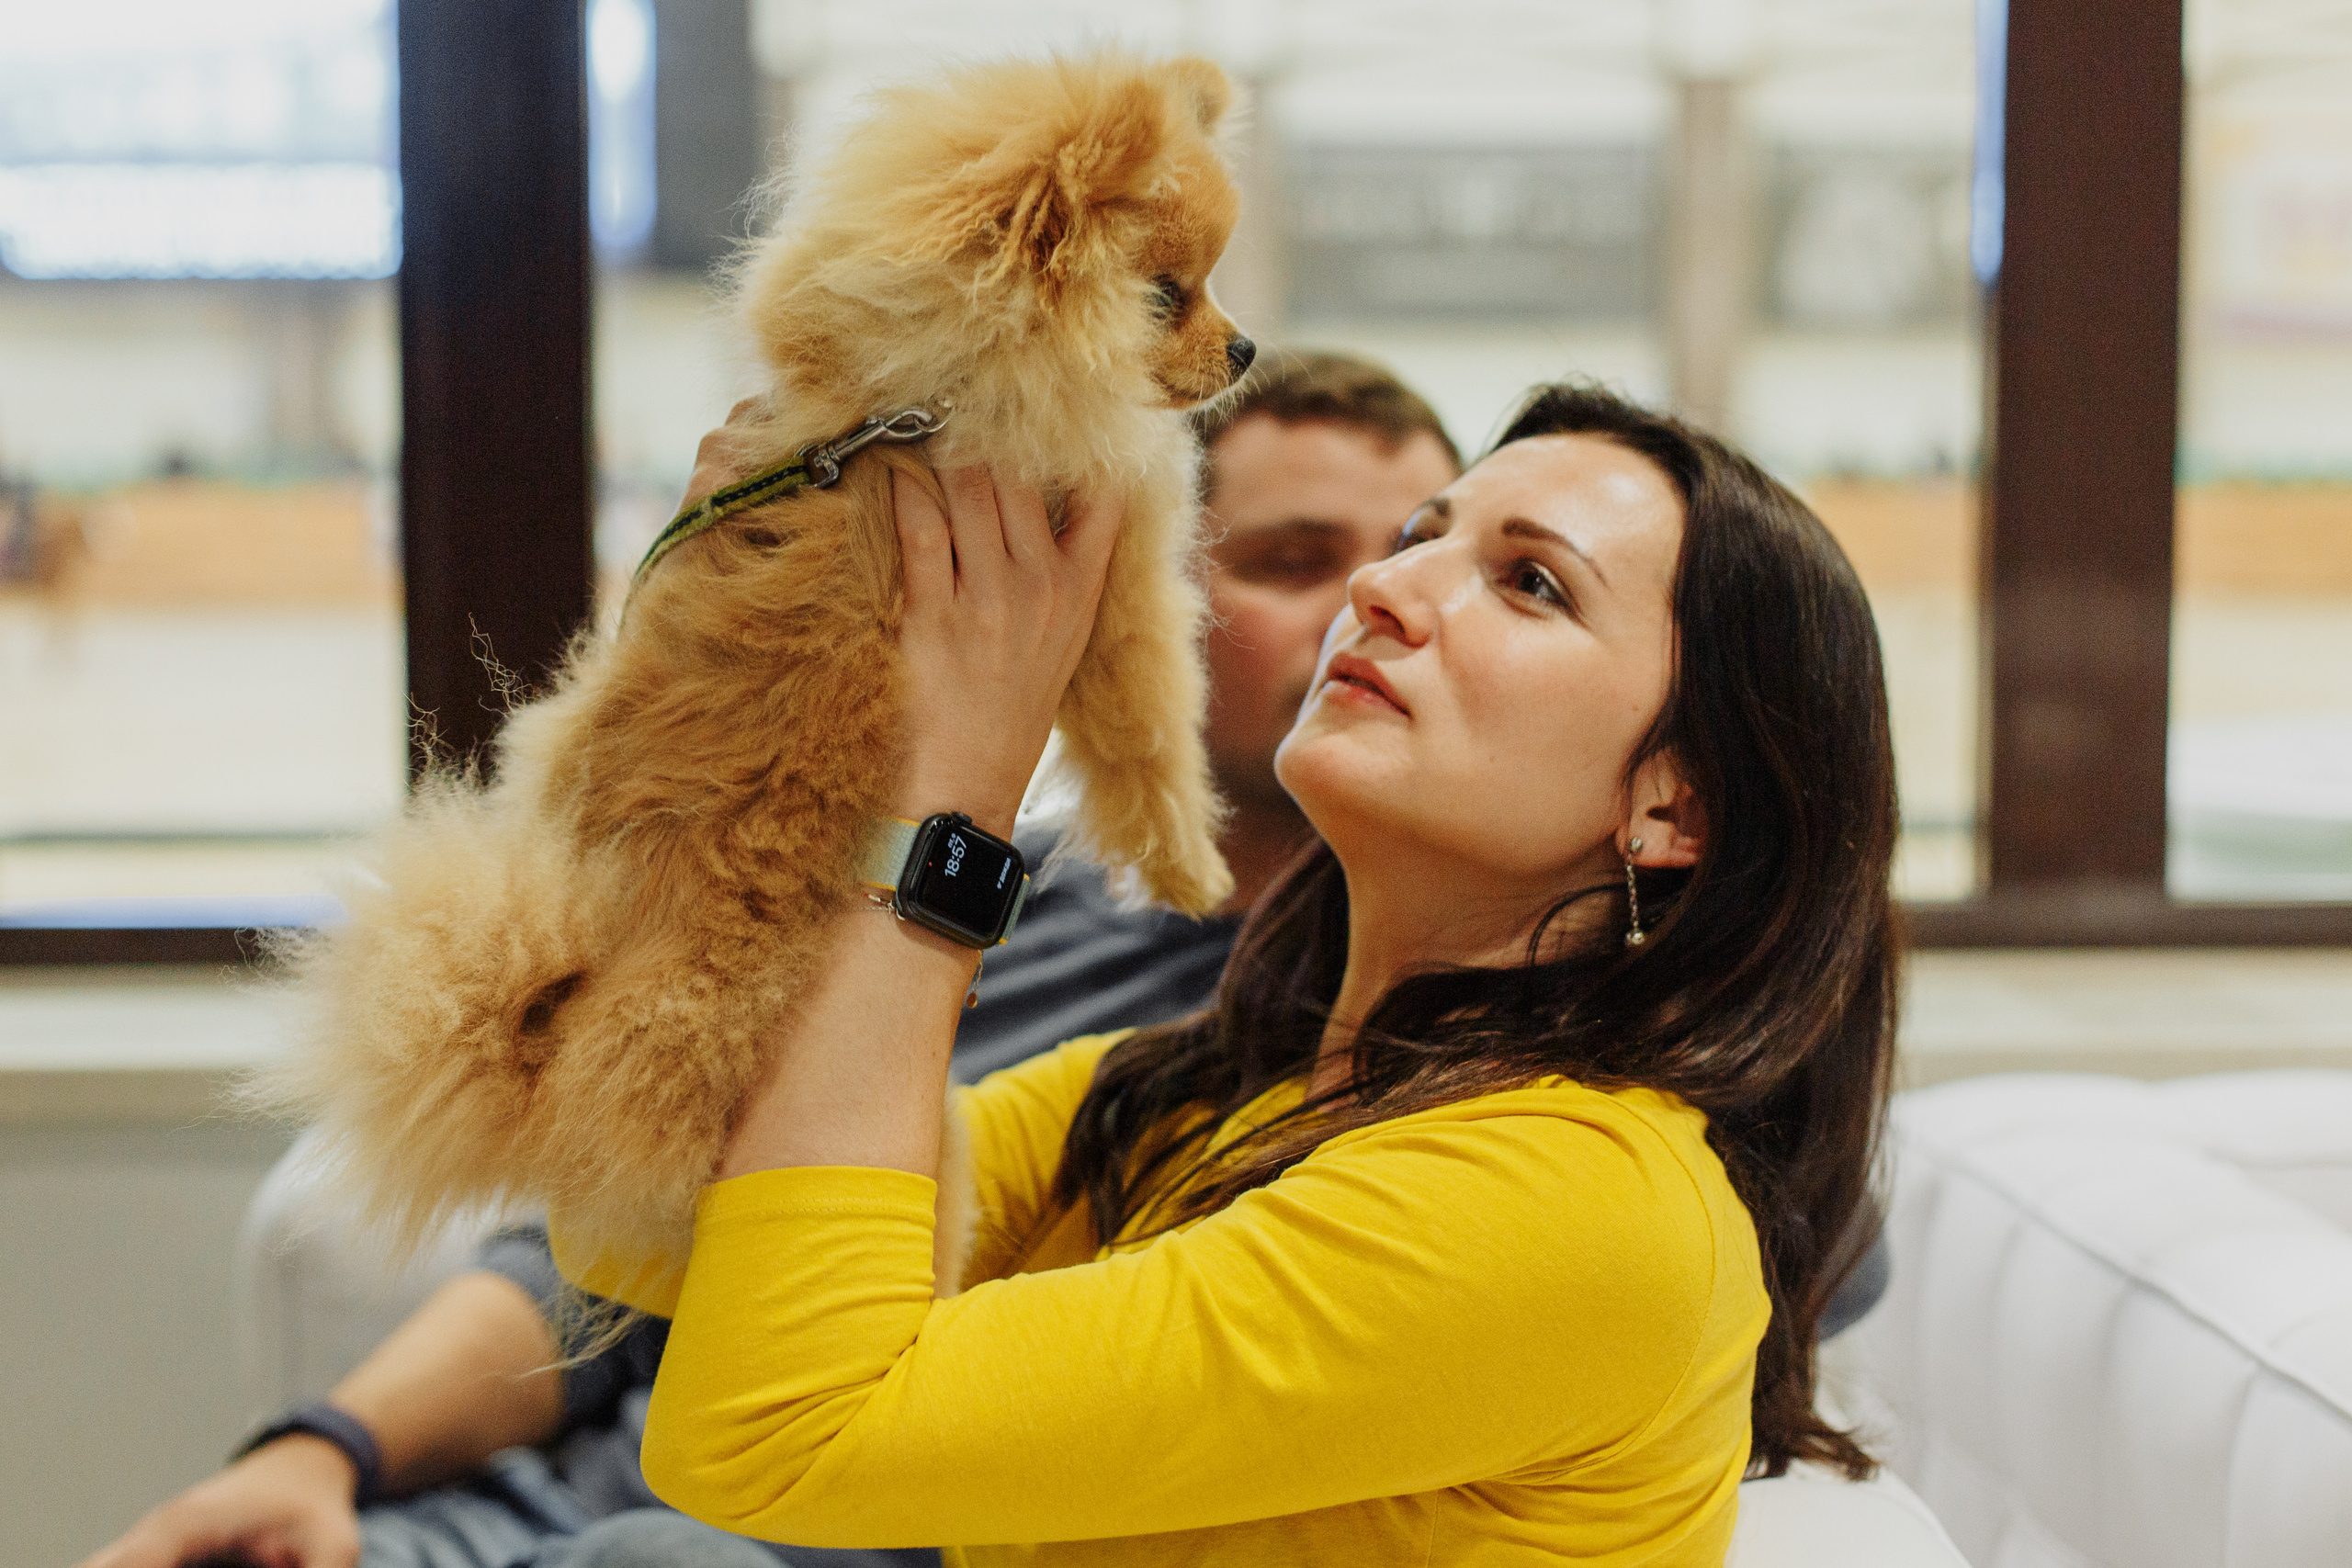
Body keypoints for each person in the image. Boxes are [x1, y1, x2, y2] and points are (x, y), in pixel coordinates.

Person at [77, 351, 1464, 1568]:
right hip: (542, 1509)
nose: (1369, 605)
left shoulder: (1399, 1033)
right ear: (1151, 606)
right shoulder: (990, 890)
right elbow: (615, 1240)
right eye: (1292, 561)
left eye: (1410, 556)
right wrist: (321, 1454)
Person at [555, 380, 1900, 1563]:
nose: (1387, 585)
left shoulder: (1585, 1203)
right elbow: (632, 1223)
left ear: (1678, 809)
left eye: (1530, 582)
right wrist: (732, 667)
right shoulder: (1223, 1083)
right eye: (1429, 535)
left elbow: (773, 1436)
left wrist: (956, 796)